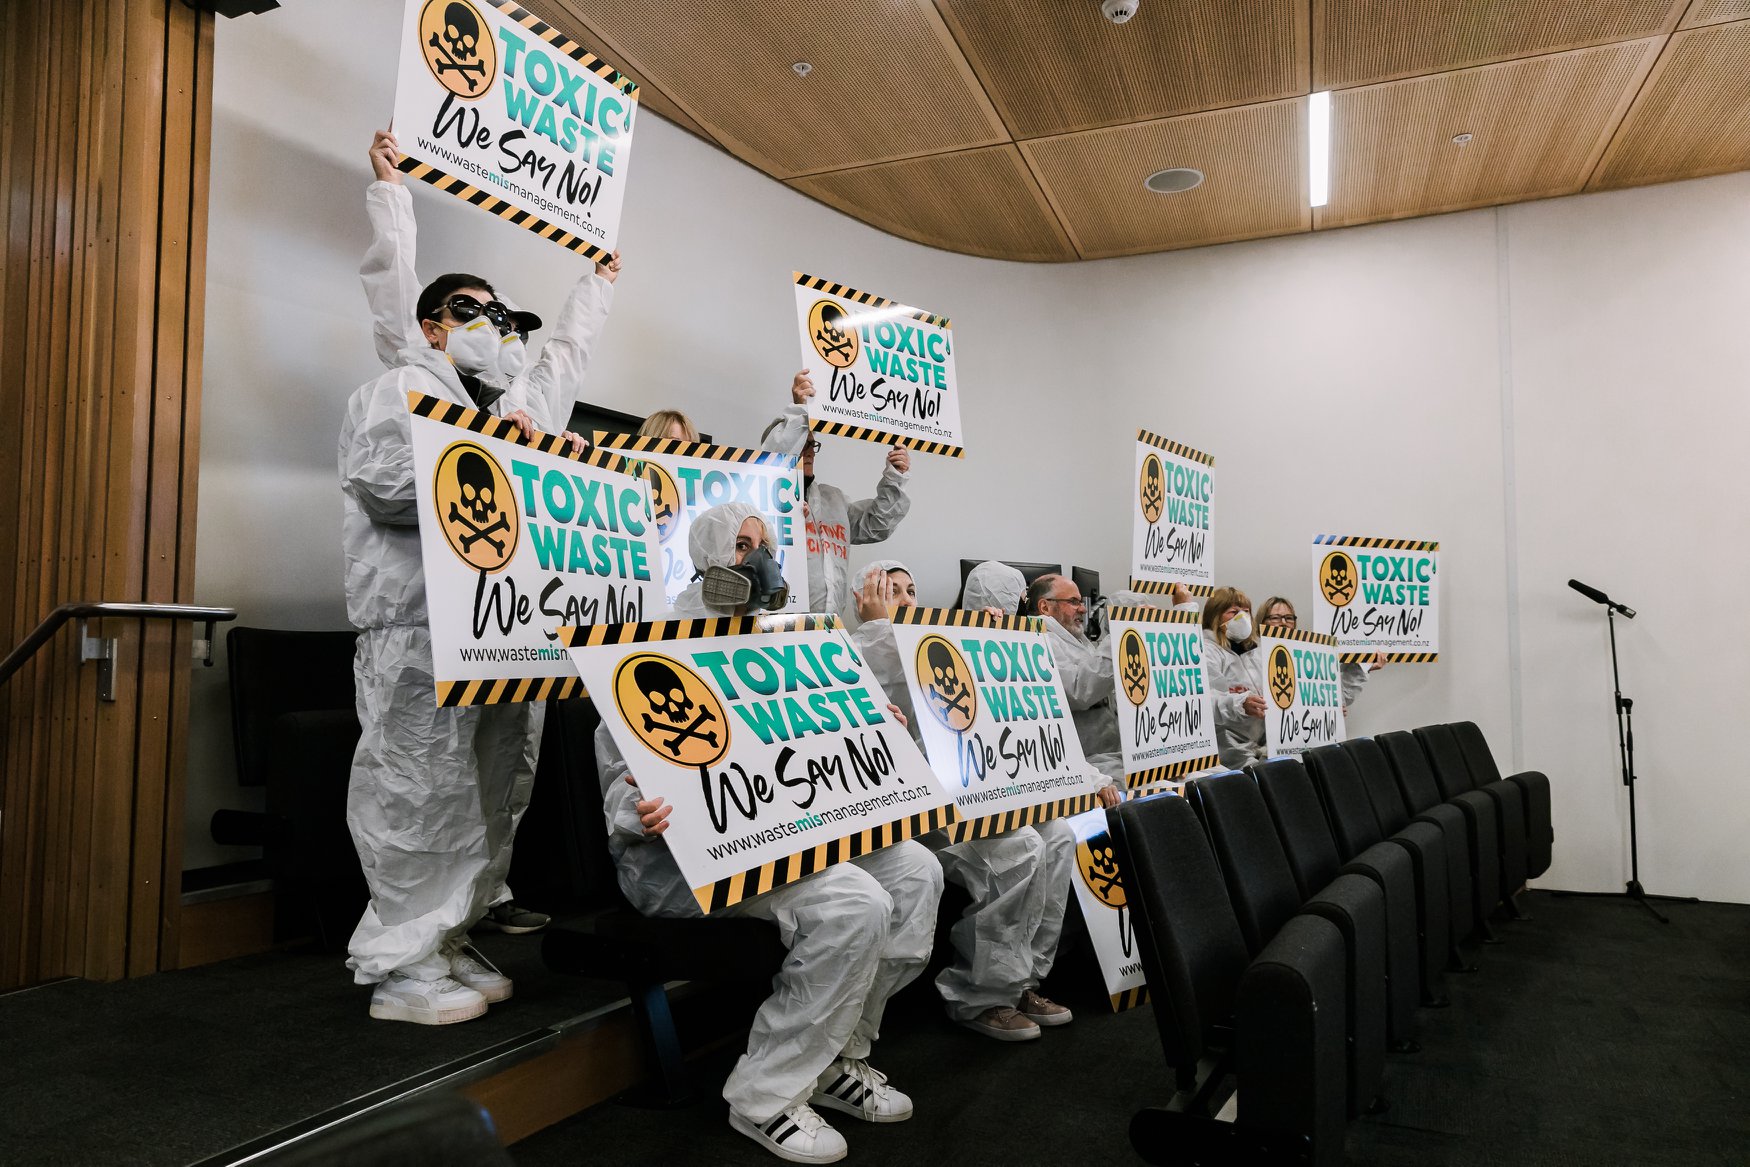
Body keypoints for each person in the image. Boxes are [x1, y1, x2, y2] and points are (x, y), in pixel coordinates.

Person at [340, 143, 622, 1023]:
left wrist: (598, 279)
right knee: (418, 787)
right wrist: (393, 193)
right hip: (419, 629)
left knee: (497, 790)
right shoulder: (400, 389)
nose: (494, 326)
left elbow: (564, 355)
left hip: (507, 632)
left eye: (503, 316)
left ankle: (451, 932)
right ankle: (400, 962)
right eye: (472, 311)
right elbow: (387, 488)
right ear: (432, 325)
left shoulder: (511, 416)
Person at [597, 507, 942, 1164]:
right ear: (706, 555)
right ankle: (765, 1094)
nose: (759, 561)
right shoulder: (653, 645)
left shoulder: (777, 641)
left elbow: (808, 740)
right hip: (682, 862)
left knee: (917, 871)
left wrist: (872, 723)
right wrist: (635, 808)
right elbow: (620, 776)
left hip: (781, 837)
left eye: (765, 546)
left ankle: (839, 1055)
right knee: (855, 899)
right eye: (743, 545)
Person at [850, 561, 1073, 1042]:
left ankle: (1022, 980)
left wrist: (992, 649)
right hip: (912, 814)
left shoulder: (937, 645)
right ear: (864, 597)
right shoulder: (855, 649)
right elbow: (881, 677)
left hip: (966, 792)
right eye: (892, 591)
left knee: (1058, 835)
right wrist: (875, 625)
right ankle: (980, 995)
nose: (907, 599)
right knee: (1020, 847)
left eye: (912, 590)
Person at [760, 371, 911, 621]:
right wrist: (799, 409)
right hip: (778, 627)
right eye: (801, 443)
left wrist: (895, 476)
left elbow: (877, 525)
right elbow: (776, 457)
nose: (809, 452)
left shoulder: (834, 500)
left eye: (812, 444)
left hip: (831, 628)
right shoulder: (762, 505)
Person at [1256, 595, 1385, 714]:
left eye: (1289, 618)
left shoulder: (1308, 656)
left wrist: (1360, 669)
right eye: (1275, 618)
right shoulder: (1252, 658)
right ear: (1262, 622)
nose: (1283, 622)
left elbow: (1337, 696)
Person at [1200, 587, 1268, 768]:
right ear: (1216, 616)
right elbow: (1205, 701)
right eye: (1233, 612)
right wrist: (1240, 704)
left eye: (1246, 612)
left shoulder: (1258, 652)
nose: (1242, 617)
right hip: (1228, 751)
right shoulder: (1206, 651)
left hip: (1263, 746)